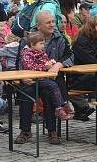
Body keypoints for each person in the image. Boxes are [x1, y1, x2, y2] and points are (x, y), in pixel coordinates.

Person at [13, 11, 74, 144]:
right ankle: (25, 130)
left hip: (51, 80)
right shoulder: (27, 39)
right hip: (30, 79)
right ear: (39, 25)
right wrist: (23, 77)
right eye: (48, 22)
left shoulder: (60, 38)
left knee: (49, 93)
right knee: (26, 93)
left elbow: (70, 55)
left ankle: (52, 130)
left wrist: (58, 64)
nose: (52, 24)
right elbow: (19, 62)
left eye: (53, 21)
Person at [21, 31, 74, 119]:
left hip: (42, 78)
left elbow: (45, 62)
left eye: (44, 43)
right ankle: (59, 107)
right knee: (53, 85)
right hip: (33, 79)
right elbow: (31, 68)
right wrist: (46, 67)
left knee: (57, 83)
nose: (43, 46)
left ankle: (63, 104)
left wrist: (51, 64)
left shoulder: (41, 52)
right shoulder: (27, 54)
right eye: (41, 43)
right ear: (32, 44)